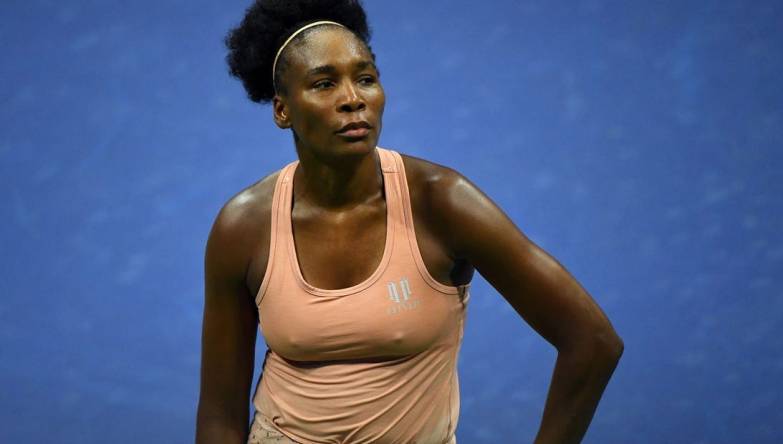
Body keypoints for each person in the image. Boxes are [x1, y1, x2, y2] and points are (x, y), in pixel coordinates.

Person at [195, 1, 624, 443]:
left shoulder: (443, 204)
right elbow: (219, 415)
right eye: (324, 84)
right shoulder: (243, 228)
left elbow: (591, 341)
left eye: (365, 78)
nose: (353, 99)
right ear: (283, 110)